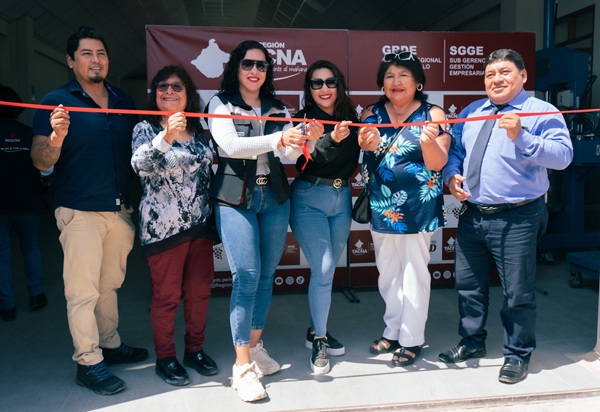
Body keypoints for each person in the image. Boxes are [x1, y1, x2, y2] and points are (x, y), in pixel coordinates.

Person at [439, 49, 573, 384]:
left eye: (505, 72)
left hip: (518, 216)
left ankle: (517, 354)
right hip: (472, 214)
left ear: (523, 76)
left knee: (517, 292)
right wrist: (451, 176)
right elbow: (456, 151)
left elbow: (563, 157)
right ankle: (472, 341)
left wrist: (522, 136)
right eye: (490, 74)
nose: (496, 79)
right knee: (468, 285)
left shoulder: (542, 112)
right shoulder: (473, 111)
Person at [30, 26, 148, 396]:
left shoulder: (124, 101)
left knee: (109, 285)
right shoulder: (56, 102)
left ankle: (109, 345)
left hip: (120, 210)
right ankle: (88, 361)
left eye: (101, 53)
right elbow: (40, 160)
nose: (95, 60)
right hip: (79, 209)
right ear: (70, 60)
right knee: (82, 291)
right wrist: (57, 137)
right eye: (86, 53)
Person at [207, 40, 315, 402]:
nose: (255, 71)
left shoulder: (278, 107)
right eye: (248, 64)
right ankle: (241, 369)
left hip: (274, 198)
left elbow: (288, 154)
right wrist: (278, 137)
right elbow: (230, 147)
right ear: (235, 67)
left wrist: (303, 140)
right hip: (235, 199)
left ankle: (254, 349)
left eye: (262, 65)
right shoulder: (219, 103)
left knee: (266, 275)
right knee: (247, 276)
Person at [359, 52, 451, 367]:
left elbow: (438, 162)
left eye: (403, 75)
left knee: (414, 272)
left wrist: (428, 142)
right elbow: (365, 145)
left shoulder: (433, 113)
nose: (395, 82)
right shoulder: (371, 112)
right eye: (389, 76)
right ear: (381, 83)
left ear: (418, 82)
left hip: (418, 206)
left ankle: (412, 339)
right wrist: (367, 141)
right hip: (382, 204)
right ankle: (393, 330)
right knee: (387, 272)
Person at [131, 65, 219, 386]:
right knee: (166, 297)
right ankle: (165, 357)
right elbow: (141, 165)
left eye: (176, 86)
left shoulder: (198, 129)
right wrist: (166, 135)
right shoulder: (144, 127)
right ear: (155, 94)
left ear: (188, 94)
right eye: (162, 87)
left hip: (200, 226)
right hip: (163, 230)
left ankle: (194, 350)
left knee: (199, 293)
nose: (169, 91)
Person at [289, 60, 360, 374]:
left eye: (330, 82)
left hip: (342, 199)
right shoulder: (302, 120)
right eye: (316, 83)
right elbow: (308, 160)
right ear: (309, 89)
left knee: (325, 273)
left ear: (339, 85)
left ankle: (315, 328)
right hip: (309, 198)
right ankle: (320, 338)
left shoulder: (352, 117)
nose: (324, 89)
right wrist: (331, 139)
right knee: (324, 266)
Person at [0, 86, 47, 322]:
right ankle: (36, 295)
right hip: (28, 201)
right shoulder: (30, 134)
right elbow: (45, 170)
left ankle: (7, 306)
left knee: (2, 255)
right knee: (30, 247)